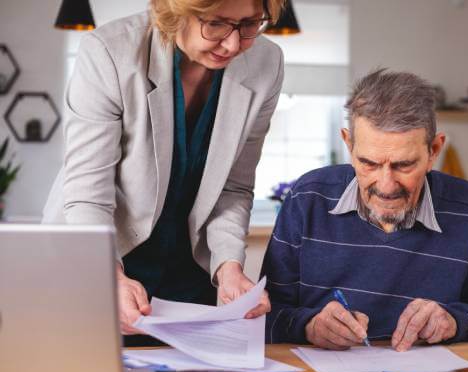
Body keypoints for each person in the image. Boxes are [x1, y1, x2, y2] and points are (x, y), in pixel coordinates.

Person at [43, 0, 286, 335]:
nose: (233, 44)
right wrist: (109, 277)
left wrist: (229, 267)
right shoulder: (110, 51)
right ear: (174, 10)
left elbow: (233, 188)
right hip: (101, 262)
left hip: (187, 279)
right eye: (215, 23)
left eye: (249, 24)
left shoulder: (265, 63)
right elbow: (88, 195)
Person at [262, 69, 468, 351]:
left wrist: (454, 322)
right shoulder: (307, 198)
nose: (386, 186)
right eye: (369, 163)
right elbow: (263, 318)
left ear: (433, 150)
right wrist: (309, 326)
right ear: (348, 144)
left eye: (403, 165)